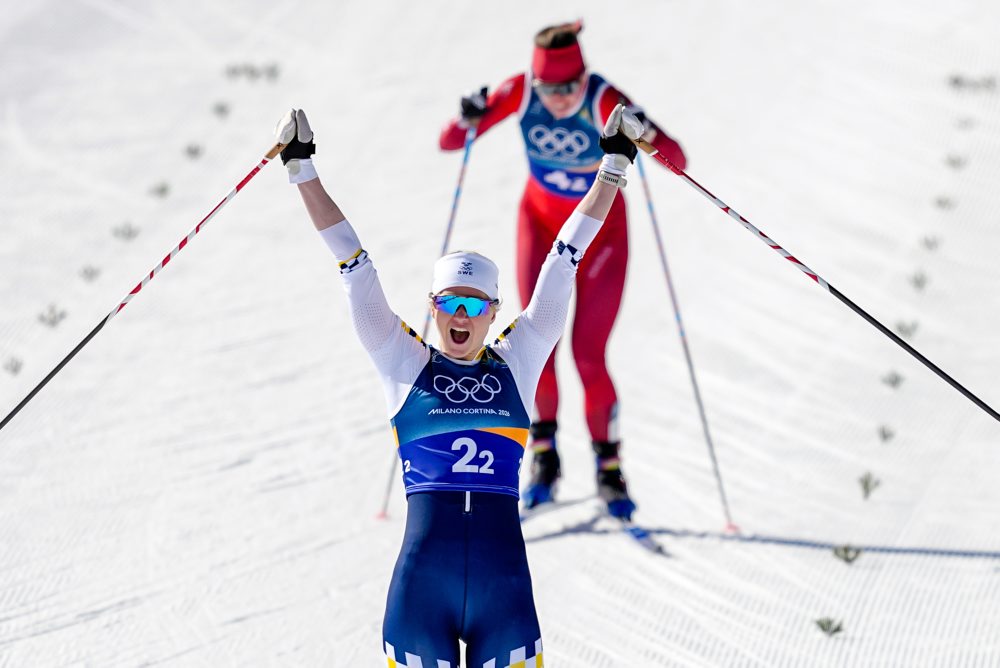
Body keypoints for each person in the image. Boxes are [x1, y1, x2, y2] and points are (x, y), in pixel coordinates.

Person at [277, 105, 643, 668]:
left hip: (505, 599)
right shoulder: (401, 361)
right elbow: (353, 264)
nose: (461, 316)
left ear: (494, 311)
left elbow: (563, 260)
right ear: (433, 306)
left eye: (475, 306)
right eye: (450, 302)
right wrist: (302, 169)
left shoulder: (519, 359)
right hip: (421, 598)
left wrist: (612, 168)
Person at [439, 21, 688, 519]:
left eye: (569, 87)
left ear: (584, 76)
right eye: (548, 88)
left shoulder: (603, 99)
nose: (558, 99)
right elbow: (450, 142)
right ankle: (545, 458)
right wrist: (467, 116)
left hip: (601, 237)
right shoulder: (520, 91)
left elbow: (677, 161)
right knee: (540, 345)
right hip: (539, 226)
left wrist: (646, 131)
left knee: (588, 355)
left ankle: (609, 469)